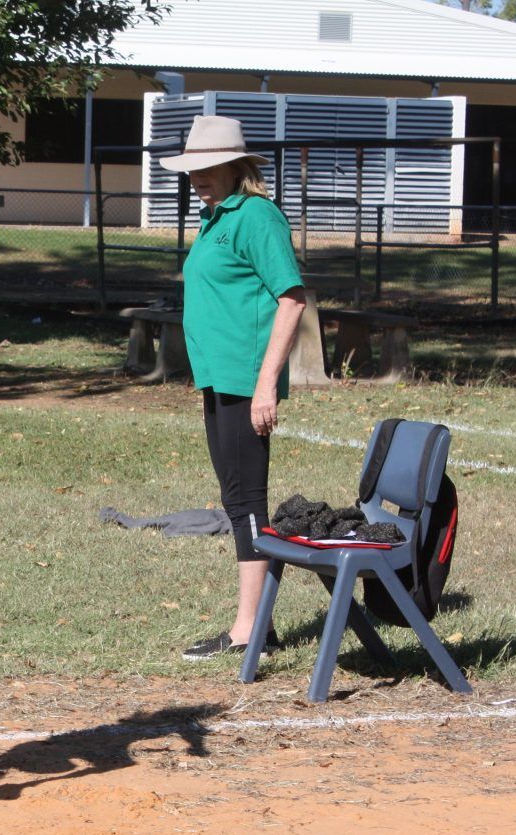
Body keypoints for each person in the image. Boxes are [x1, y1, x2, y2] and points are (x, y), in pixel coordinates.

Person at [160, 116, 306, 661]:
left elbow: (291, 298)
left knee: (246, 501)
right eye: (192, 168)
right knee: (234, 498)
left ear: (236, 166)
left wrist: (267, 382)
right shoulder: (213, 218)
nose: (197, 176)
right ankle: (252, 624)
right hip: (218, 379)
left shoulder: (256, 217)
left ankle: (250, 630)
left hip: (247, 381)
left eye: (208, 167)